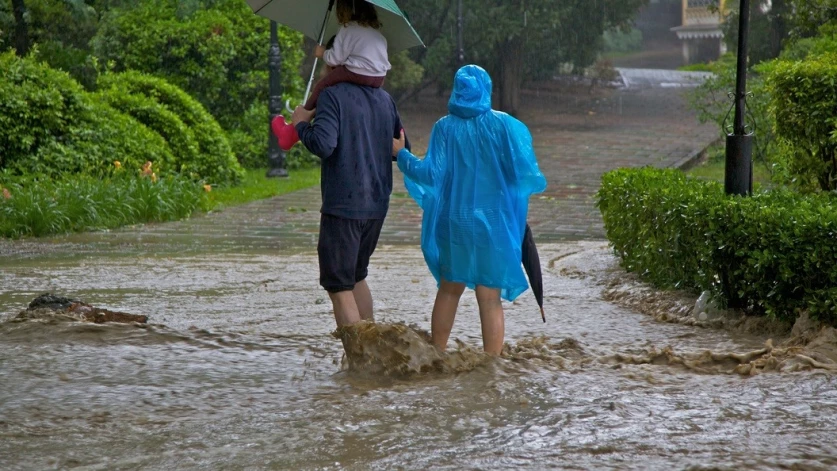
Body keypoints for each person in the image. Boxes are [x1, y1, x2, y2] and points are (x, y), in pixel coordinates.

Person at [391, 65, 547, 355]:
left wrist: (402, 155)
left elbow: (430, 175)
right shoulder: (504, 126)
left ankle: (436, 354)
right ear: (486, 89)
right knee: (490, 299)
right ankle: (492, 366)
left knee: (450, 289)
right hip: (494, 225)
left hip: (456, 223)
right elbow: (524, 174)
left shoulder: (444, 127)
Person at [290, 58, 408, 330]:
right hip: (377, 206)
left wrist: (300, 125)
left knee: (339, 285)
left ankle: (360, 362)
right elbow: (401, 147)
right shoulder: (385, 99)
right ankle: (373, 349)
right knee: (355, 276)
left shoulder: (332, 96)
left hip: (344, 205)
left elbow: (324, 144)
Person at [275, 0, 390, 151]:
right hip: (378, 78)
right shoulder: (378, 34)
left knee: (322, 86)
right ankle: (299, 124)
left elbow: (336, 58)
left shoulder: (347, 28)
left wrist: (322, 53)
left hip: (358, 73)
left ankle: (298, 123)